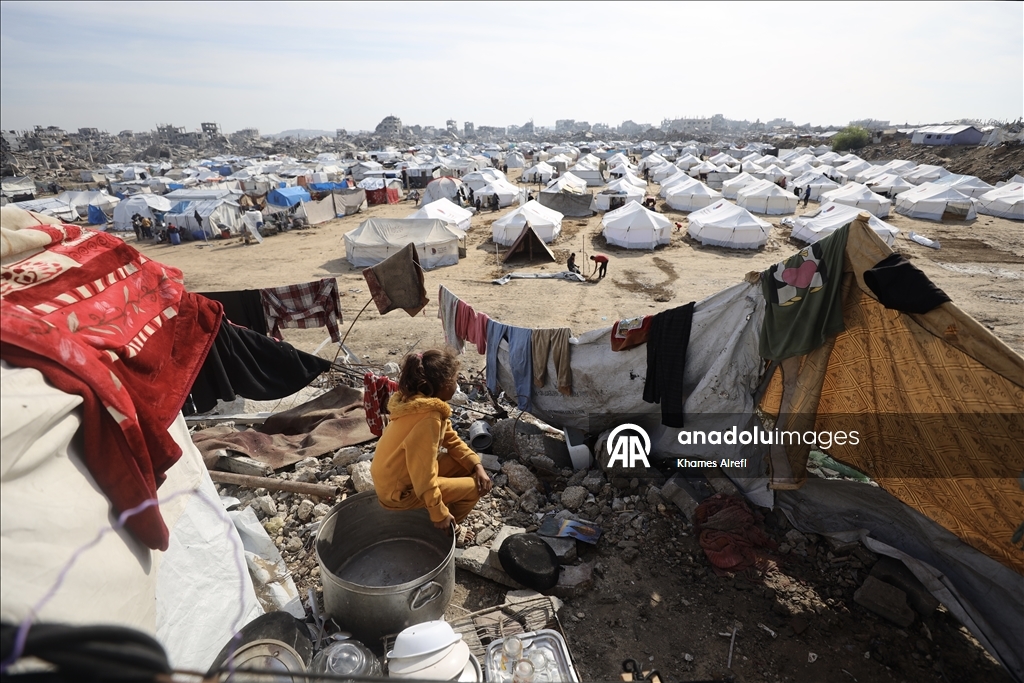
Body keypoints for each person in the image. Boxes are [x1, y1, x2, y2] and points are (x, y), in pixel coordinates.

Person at [370, 349, 492, 542]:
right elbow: (423, 475)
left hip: (397, 478)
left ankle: (438, 512)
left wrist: (476, 465)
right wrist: (439, 513)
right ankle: (443, 528)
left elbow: (451, 440)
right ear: (444, 385)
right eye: (455, 379)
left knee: (463, 464)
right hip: (400, 492)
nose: (457, 384)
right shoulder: (428, 418)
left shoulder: (420, 403)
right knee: (475, 488)